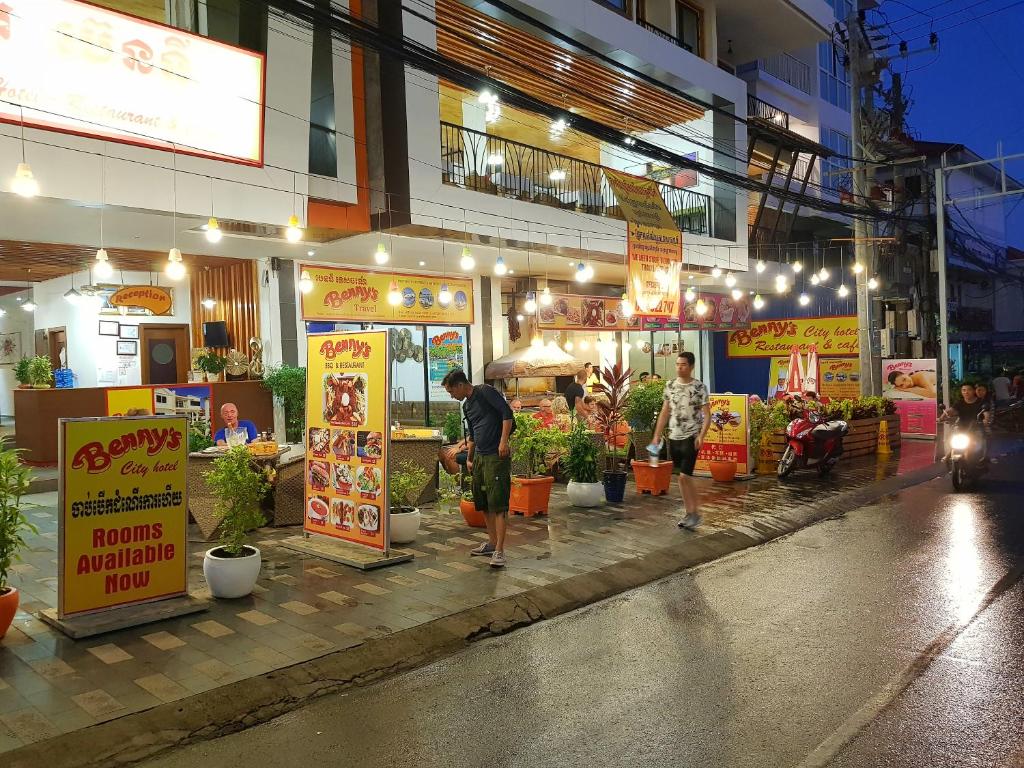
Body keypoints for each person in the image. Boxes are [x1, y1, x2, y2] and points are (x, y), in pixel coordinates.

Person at [441, 369, 514, 569]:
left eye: (451, 392)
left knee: (498, 502)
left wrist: (503, 442)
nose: (451, 396)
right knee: (483, 502)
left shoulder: (485, 392)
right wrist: (471, 458)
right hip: (480, 456)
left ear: (460, 385)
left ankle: (500, 550)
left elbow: (507, 414)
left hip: (495, 455)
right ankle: (491, 543)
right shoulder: (467, 406)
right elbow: (472, 435)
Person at [649, 351, 710, 530]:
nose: (679, 367)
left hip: (691, 437)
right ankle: (689, 512)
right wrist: (657, 434)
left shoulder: (699, 387)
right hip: (674, 436)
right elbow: (665, 411)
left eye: (683, 364)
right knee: (681, 478)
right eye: (677, 364)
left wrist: (701, 435)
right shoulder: (670, 386)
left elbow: (707, 415)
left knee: (686, 475)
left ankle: (695, 511)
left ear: (691, 366)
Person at [942, 383, 991, 461]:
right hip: (962, 427)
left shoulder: (981, 402)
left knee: (981, 439)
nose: (966, 392)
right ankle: (950, 452)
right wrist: (941, 418)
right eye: (963, 390)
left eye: (969, 390)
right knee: (950, 437)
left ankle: (983, 456)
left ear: (974, 391)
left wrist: (985, 420)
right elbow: (950, 411)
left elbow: (986, 413)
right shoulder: (959, 403)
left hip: (976, 427)